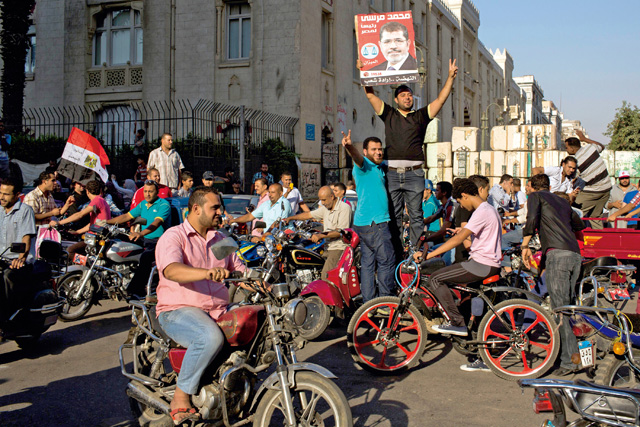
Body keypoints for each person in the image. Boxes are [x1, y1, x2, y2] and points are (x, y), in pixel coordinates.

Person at [155, 186, 245, 424]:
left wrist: (262, 282)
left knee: (255, 324)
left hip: (217, 310)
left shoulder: (221, 239)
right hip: (178, 310)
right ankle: (180, 395)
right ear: (196, 209)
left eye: (220, 208)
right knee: (209, 338)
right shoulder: (173, 236)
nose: (220, 212)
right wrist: (205, 273)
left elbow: (239, 270)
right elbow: (171, 270)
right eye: (214, 207)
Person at [361, 57, 458, 252]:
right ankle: (396, 253)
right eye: (403, 95)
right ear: (396, 99)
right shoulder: (388, 114)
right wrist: (364, 73)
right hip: (392, 173)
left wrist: (450, 78)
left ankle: (414, 254)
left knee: (415, 215)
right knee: (394, 216)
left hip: (414, 174)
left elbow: (441, 100)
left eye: (410, 95)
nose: (407, 97)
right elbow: (370, 95)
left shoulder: (421, 116)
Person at [415, 178, 502, 337]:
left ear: (465, 195)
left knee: (435, 279)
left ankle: (456, 323)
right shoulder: (488, 209)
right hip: (485, 263)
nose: (461, 206)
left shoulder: (482, 211)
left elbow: (459, 239)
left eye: (460, 201)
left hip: (481, 264)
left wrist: (428, 255)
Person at [522, 173, 585, 376]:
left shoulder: (536, 197)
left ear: (532, 186)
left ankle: (569, 362)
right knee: (570, 307)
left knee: (561, 310)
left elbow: (531, 219)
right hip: (575, 255)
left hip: (557, 256)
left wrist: (525, 244)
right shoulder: (562, 200)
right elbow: (579, 224)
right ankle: (577, 355)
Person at [342, 130, 395, 302]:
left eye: (380, 149)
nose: (378, 152)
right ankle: (386, 303)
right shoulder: (364, 165)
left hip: (363, 223)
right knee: (386, 261)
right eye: (373, 149)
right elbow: (357, 158)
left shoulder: (378, 168)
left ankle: (369, 304)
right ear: (365, 152)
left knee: (367, 265)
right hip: (375, 223)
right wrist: (350, 147)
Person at [108, 180, 172, 297]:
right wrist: (107, 222)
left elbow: (156, 223)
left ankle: (135, 290)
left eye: (151, 191)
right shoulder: (142, 204)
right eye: (145, 191)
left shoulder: (163, 205)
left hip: (159, 241)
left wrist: (141, 233)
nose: (147, 194)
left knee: (145, 257)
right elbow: (127, 216)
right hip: (144, 239)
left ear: (157, 192)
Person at [284, 186, 351, 278]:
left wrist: (320, 235)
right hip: (327, 247)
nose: (322, 203)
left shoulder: (344, 208)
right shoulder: (325, 208)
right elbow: (308, 214)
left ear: (332, 196)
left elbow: (340, 232)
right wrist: (290, 218)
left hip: (338, 247)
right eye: (321, 200)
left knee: (325, 276)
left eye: (324, 200)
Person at [0, 177, 36, 323]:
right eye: (0, 193)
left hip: (18, 261)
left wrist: (20, 258)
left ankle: (4, 320)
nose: (2, 197)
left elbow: (25, 240)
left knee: (7, 277)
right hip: (1, 258)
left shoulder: (25, 211)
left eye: (6, 194)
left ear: (17, 195)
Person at [50, 180, 112, 261]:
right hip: (95, 236)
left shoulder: (97, 200)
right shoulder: (100, 201)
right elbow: (94, 223)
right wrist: (78, 232)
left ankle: (88, 264)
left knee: (70, 251)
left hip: (96, 238)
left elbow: (79, 214)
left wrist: (58, 223)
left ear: (87, 191)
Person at [565, 130, 611, 229]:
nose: (566, 150)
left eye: (567, 147)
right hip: (606, 189)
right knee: (595, 217)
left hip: (593, 191)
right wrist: (584, 139)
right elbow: (602, 146)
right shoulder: (591, 148)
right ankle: (599, 241)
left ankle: (571, 237)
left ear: (572, 148)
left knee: (573, 211)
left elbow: (571, 177)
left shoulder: (576, 162)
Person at [422, 181, 454, 250]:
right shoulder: (443, 206)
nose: (435, 192)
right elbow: (431, 218)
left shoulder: (450, 207)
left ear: (444, 193)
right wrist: (418, 223)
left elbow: (443, 231)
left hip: (454, 240)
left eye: (437, 190)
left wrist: (425, 239)